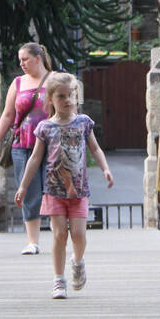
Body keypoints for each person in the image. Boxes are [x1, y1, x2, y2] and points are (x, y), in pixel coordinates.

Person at [15, 71, 113, 298]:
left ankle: (78, 261)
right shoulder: (45, 128)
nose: (67, 100)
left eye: (71, 95)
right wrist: (23, 186)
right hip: (53, 190)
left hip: (79, 190)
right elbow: (35, 159)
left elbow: (95, 149)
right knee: (59, 234)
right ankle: (59, 280)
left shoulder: (83, 123)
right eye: (61, 96)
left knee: (79, 234)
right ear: (50, 99)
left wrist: (105, 169)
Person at [0, 42, 52, 254]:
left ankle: (59, 236)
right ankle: (33, 242)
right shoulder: (17, 83)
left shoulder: (55, 81)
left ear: (38, 58)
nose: (21, 63)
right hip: (22, 145)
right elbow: (8, 115)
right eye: (20, 60)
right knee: (28, 193)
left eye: (25, 59)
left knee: (53, 191)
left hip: (52, 145)